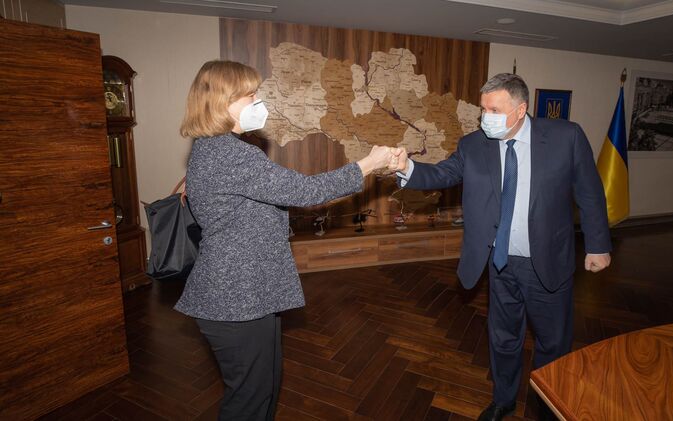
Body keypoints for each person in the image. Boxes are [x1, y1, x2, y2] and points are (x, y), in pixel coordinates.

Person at [174, 60, 401, 420]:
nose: (257, 102)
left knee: (264, 389)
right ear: (222, 101)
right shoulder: (231, 154)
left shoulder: (211, 148)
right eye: (250, 95)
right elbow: (305, 191)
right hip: (235, 297)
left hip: (248, 292)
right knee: (249, 400)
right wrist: (368, 164)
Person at [393, 73, 612, 421]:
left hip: (546, 261)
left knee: (553, 342)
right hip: (500, 263)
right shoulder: (473, 145)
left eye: (494, 110)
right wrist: (407, 167)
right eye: (483, 110)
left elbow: (590, 192)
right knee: (503, 338)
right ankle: (504, 399)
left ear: (520, 109)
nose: (485, 118)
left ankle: (548, 406)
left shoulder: (566, 137)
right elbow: (442, 174)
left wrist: (598, 245)